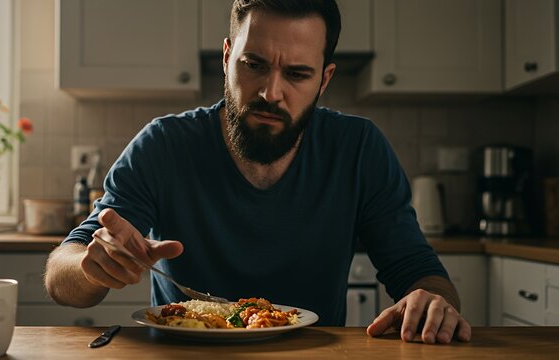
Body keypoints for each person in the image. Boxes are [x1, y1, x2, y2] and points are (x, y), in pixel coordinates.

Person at [45, 0, 471, 345]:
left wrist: (432, 302)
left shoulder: (359, 148)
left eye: (297, 74)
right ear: (228, 58)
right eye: (255, 65)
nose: (271, 93)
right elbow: (60, 277)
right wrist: (90, 264)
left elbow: (417, 268)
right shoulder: (163, 144)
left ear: (324, 81)